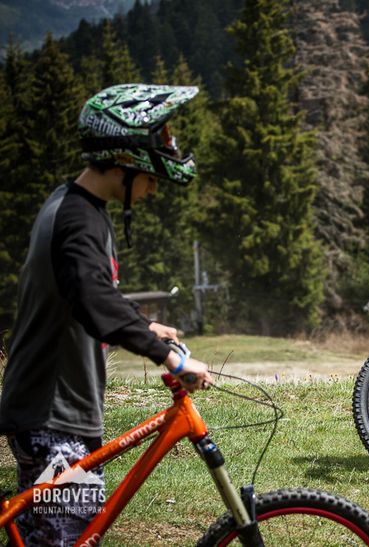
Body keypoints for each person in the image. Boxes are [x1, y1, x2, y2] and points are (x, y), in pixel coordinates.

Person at [0, 83, 213, 545]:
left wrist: (143, 325)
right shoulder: (78, 219)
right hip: (53, 419)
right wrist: (171, 358)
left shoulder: (77, 207)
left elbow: (87, 294)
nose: (155, 188)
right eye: (153, 176)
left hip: (50, 411)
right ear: (127, 161)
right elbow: (93, 300)